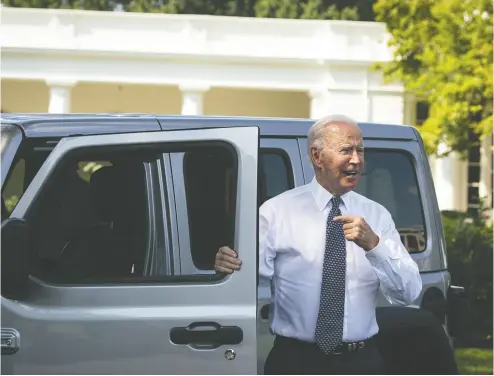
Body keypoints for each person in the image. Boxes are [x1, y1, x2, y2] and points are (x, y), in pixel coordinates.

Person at [214, 114, 422, 375]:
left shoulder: (377, 216)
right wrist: (225, 267)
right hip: (296, 362)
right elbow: (241, 278)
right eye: (346, 150)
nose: (356, 160)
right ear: (316, 156)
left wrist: (375, 245)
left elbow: (408, 293)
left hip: (361, 363)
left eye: (360, 150)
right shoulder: (277, 211)